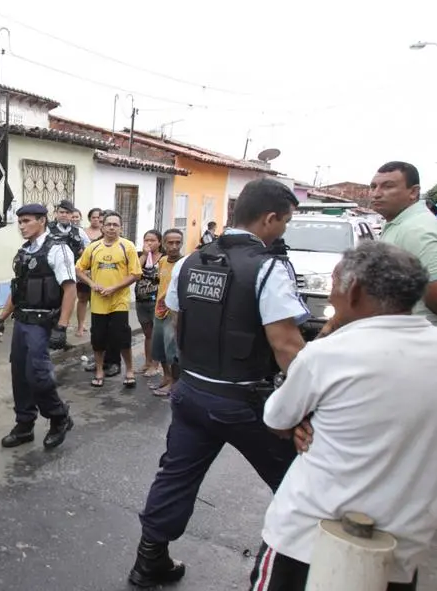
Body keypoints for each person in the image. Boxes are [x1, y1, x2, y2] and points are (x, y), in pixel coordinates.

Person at [128, 179, 309, 587]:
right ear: (270, 218)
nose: (283, 230)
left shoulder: (192, 260)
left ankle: (148, 559)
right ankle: (285, 576)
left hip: (192, 393)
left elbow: (176, 318)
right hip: (245, 401)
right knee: (302, 482)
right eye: (285, 222)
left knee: (175, 477)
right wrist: (306, 408)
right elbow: (287, 346)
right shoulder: (268, 267)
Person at [253, 241, 437, 590]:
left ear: (352, 290)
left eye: (334, 280)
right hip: (402, 553)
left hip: (308, 542)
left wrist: (303, 422)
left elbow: (277, 419)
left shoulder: (327, 355)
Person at [0, 203, 76, 450]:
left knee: (38, 376)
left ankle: (59, 417)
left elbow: (70, 291)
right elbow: (17, 290)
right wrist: (1, 318)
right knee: (19, 375)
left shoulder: (57, 249)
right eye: (20, 222)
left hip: (43, 322)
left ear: (42, 221)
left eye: (27, 221)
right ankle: (24, 424)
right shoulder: (25, 251)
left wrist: (61, 327)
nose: (22, 226)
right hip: (22, 321)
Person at [366, 161, 437, 326]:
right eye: (373, 187)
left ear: (413, 192)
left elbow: (435, 295)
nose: (376, 194)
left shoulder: (417, 230)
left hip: (418, 340)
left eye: (387, 186)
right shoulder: (400, 223)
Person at [76, 211, 142, 389]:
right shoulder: (93, 247)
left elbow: (136, 274)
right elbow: (79, 269)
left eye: (116, 225)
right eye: (109, 224)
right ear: (103, 227)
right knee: (98, 339)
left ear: (121, 227)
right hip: (98, 303)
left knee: (122, 337)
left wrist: (114, 288)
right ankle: (99, 371)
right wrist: (91, 284)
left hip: (119, 301)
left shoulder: (127, 246)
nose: (112, 227)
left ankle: (129, 370)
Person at [149, 229, 184, 397]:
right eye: (170, 242)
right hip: (159, 311)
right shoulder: (162, 261)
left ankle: (174, 384)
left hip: (174, 313)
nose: (174, 246)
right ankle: (166, 377)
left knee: (173, 351)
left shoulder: (185, 263)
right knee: (159, 349)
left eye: (178, 242)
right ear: (164, 244)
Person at [135, 230, 163, 378]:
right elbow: (135, 273)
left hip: (157, 302)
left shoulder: (163, 258)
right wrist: (145, 255)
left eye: (152, 240)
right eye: (146, 240)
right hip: (141, 300)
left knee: (156, 333)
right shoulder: (141, 256)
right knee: (148, 334)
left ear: (159, 242)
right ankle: (147, 362)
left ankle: (155, 365)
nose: (149, 243)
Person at [77, 207, 104, 338]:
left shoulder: (106, 233)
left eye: (99, 217)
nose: (96, 220)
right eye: (94, 217)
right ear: (89, 218)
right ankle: (81, 326)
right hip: (85, 271)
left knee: (96, 300)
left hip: (100, 272)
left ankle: (96, 326)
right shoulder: (82, 232)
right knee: (82, 298)